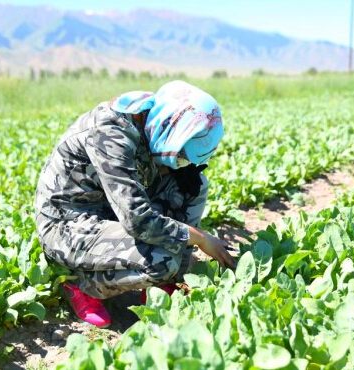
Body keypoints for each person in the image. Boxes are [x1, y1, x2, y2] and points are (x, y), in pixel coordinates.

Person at [34, 80, 235, 327]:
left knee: (193, 185)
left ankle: (164, 283)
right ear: (171, 131)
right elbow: (137, 219)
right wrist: (200, 238)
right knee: (161, 260)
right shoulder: (111, 133)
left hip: (110, 209)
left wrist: (176, 172)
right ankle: (80, 284)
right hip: (68, 225)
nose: (181, 161)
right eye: (181, 155)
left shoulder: (155, 119)